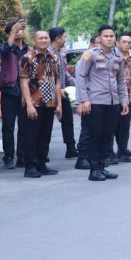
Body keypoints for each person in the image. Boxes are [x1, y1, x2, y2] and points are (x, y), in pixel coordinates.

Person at [75, 25, 128, 182]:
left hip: (112, 102)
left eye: (112, 36)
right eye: (106, 36)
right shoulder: (90, 55)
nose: (109, 39)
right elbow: (81, 77)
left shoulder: (117, 57)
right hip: (95, 102)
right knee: (95, 136)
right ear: (99, 38)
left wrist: (124, 100)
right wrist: (84, 100)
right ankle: (94, 170)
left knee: (107, 136)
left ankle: (102, 166)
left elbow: (121, 80)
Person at [18, 29, 61, 178]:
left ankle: (42, 164)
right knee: (31, 136)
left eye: (46, 38)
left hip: (49, 103)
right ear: (34, 40)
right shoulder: (27, 58)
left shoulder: (54, 57)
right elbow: (24, 83)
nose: (43, 40)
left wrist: (59, 104)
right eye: (40, 38)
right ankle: (30, 167)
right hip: (33, 103)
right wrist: (29, 105)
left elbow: (57, 82)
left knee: (45, 135)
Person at [0, 18, 27, 169]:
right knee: (8, 126)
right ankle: (8, 156)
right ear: (10, 33)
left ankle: (22, 156)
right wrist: (13, 32)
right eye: (15, 30)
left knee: (24, 125)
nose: (19, 32)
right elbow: (4, 50)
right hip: (9, 90)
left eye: (21, 29)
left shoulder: (29, 50)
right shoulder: (6, 48)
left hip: (26, 91)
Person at [113, 34, 131, 164]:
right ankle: (110, 151)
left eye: (129, 42)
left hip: (129, 95)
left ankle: (122, 149)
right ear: (117, 43)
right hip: (113, 96)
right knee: (113, 125)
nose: (126, 44)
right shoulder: (112, 57)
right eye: (123, 42)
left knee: (125, 124)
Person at [49, 27, 76, 161]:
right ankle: (41, 153)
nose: (66, 39)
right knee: (46, 123)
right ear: (58, 38)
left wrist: (80, 85)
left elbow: (65, 74)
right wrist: (56, 89)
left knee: (68, 120)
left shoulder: (61, 53)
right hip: (48, 94)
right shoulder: (47, 54)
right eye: (64, 37)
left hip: (63, 93)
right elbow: (46, 75)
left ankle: (71, 148)